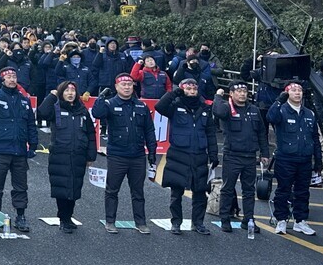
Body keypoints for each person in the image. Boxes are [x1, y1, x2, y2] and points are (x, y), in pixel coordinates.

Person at [91, 73, 157, 234]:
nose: (127, 87)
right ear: (116, 87)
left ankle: (140, 222)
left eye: (129, 84)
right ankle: (110, 221)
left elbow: (149, 130)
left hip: (138, 155)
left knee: (138, 191)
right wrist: (100, 97)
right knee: (112, 190)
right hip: (117, 155)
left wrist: (152, 152)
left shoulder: (141, 106)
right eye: (123, 85)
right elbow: (97, 114)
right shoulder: (110, 104)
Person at [0, 67, 39, 233]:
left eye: (14, 76)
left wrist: (33, 144)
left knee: (21, 186)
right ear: (2, 80)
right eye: (8, 77)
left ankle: (20, 215)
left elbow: (31, 124)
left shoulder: (24, 99)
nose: (12, 79)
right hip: (0, 149)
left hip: (19, 150)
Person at [155, 78, 218, 235]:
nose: (191, 92)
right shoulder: (176, 106)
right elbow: (159, 107)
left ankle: (198, 223)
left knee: (200, 192)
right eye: (188, 89)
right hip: (178, 153)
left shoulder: (205, 108)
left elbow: (210, 133)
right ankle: (176, 222)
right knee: (176, 193)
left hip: (199, 155)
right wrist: (173, 93)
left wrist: (214, 154)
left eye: (194, 89)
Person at [37, 81, 97, 233]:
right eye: (67, 91)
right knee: (62, 188)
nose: (70, 93)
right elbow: (42, 113)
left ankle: (69, 215)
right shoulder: (55, 108)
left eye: (73, 91)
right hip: (60, 154)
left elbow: (90, 133)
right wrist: (52, 96)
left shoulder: (82, 110)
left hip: (78, 154)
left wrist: (91, 155)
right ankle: (63, 218)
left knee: (74, 187)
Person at [211, 82, 270, 233]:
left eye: (244, 91)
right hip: (232, 155)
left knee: (249, 190)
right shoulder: (226, 108)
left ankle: (248, 220)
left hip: (250, 156)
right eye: (238, 91)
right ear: (231, 94)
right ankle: (224, 219)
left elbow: (261, 133)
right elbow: (217, 111)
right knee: (228, 188)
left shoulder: (254, 110)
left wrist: (264, 153)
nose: (242, 94)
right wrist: (218, 96)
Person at [267, 82, 321, 235]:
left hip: (304, 159)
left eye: (300, 90)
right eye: (293, 90)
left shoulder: (309, 113)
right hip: (286, 158)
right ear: (287, 93)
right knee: (283, 190)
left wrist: (317, 160)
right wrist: (279, 100)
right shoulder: (281, 110)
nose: (297, 93)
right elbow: (270, 117)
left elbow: (315, 138)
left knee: (303, 192)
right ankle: (281, 220)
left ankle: (300, 221)